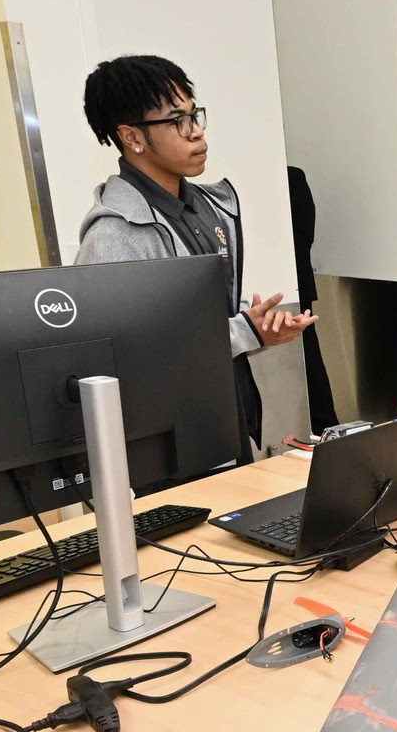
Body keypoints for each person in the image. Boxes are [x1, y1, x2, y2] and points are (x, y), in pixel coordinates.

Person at [74, 55, 312, 450]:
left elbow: (194, 314)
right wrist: (245, 330)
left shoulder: (205, 206)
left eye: (194, 115)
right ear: (132, 137)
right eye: (177, 121)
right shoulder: (113, 236)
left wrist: (259, 329)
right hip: (165, 444)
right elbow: (128, 357)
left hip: (224, 418)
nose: (197, 132)